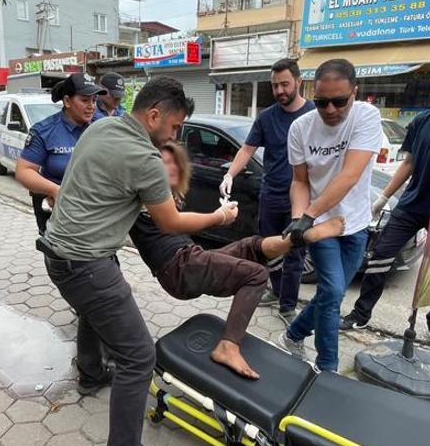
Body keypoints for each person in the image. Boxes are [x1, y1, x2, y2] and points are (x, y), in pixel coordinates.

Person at [40, 76, 237, 446]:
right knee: (137, 355)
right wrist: (219, 218)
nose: (175, 135)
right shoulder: (144, 157)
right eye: (175, 126)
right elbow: (170, 223)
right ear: (153, 115)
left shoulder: (102, 126)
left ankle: (92, 374)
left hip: (62, 253)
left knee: (97, 311)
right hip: (85, 262)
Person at [129, 142, 345, 379]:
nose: (169, 167)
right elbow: (174, 221)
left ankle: (297, 237)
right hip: (178, 268)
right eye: (162, 162)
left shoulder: (172, 194)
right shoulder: (144, 193)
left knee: (251, 246)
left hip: (190, 257)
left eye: (173, 162)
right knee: (256, 275)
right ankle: (228, 346)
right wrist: (219, 216)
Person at [339, 59, 430, 357]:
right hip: (412, 205)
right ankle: (361, 314)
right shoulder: (422, 122)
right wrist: (383, 198)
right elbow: (408, 163)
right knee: (380, 256)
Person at [276, 59, 382, 372]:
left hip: (355, 223)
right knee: (334, 294)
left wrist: (307, 216)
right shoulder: (300, 127)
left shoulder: (367, 116)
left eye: (340, 101)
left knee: (328, 293)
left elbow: (349, 176)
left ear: (355, 92)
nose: (331, 110)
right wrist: (300, 221)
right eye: (322, 102)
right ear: (313, 94)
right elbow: (300, 181)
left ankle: (293, 333)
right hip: (321, 226)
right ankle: (327, 369)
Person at [221, 58, 315, 325]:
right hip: (271, 195)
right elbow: (247, 149)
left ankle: (288, 305)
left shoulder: (314, 115)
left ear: (298, 81)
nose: (280, 90)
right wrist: (230, 174)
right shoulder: (267, 117)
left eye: (285, 84)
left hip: (303, 199)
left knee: (295, 252)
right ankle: (275, 291)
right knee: (266, 248)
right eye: (275, 86)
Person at [15, 73, 106, 233]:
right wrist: (55, 191)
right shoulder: (44, 131)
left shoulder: (102, 126)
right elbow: (24, 171)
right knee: (61, 256)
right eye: (84, 100)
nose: (91, 106)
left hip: (94, 207)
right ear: (66, 101)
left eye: (94, 100)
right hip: (56, 208)